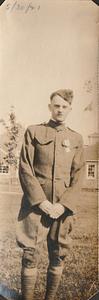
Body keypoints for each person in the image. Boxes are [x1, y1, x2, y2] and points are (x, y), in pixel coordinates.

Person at [16, 89, 85, 300]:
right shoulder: (34, 131)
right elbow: (25, 168)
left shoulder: (76, 138)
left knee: (58, 256)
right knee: (30, 255)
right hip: (35, 208)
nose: (60, 110)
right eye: (56, 106)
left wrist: (63, 205)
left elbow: (79, 176)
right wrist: (40, 201)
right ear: (50, 107)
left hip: (62, 210)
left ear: (70, 109)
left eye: (64, 107)